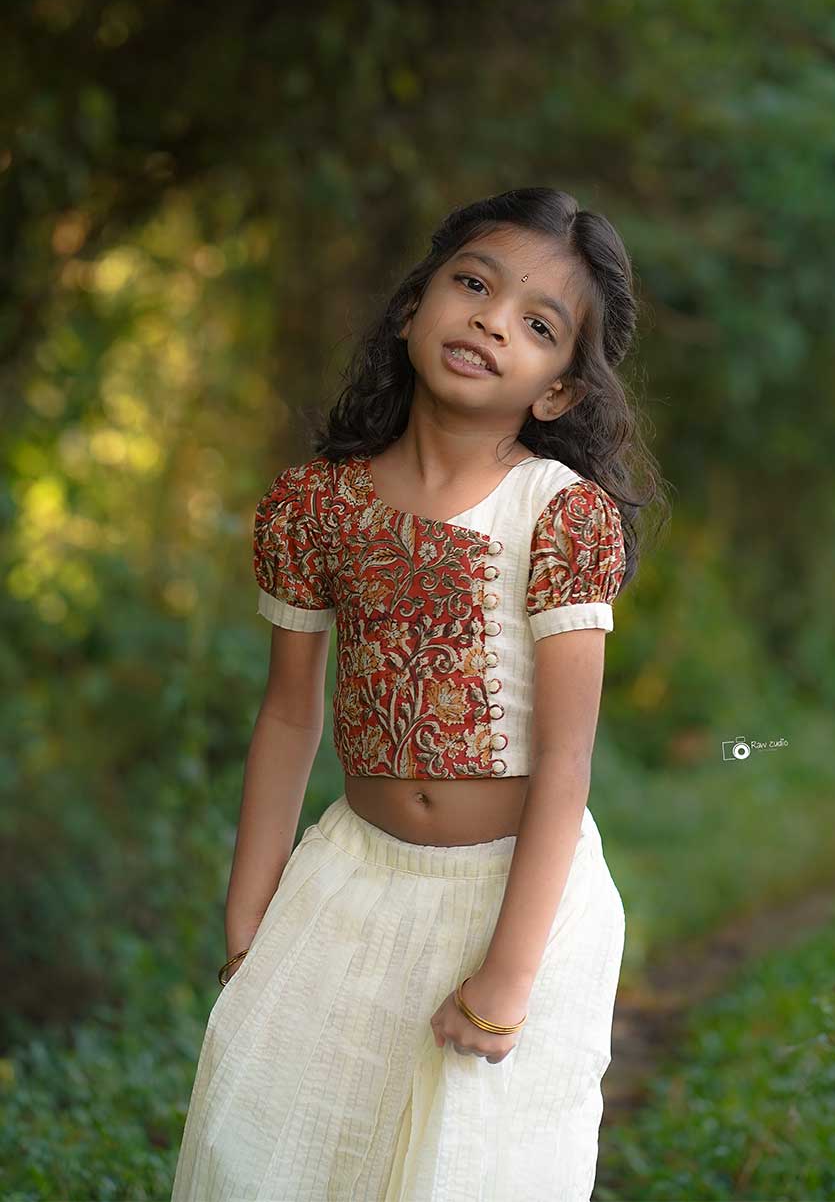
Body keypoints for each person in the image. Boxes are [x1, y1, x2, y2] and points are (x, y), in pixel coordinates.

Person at [170, 186, 662, 1202]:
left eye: (536, 324)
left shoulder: (558, 514)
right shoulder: (316, 506)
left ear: (558, 392)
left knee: (468, 1172)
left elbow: (566, 762)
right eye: (471, 285)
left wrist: (508, 979)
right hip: (351, 885)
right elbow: (290, 716)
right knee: (274, 1152)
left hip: (518, 898)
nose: (490, 319)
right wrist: (246, 928)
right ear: (411, 310)